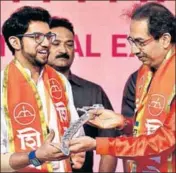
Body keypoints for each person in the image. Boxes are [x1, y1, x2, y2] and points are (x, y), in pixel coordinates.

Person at [68, 2, 176, 172]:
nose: (133, 50)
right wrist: (123, 123)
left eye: (140, 42)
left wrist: (98, 144)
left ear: (165, 39)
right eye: (131, 41)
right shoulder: (141, 75)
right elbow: (149, 128)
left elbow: (166, 140)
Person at [1, 6, 85, 172]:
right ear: (15, 42)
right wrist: (36, 156)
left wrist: (77, 151)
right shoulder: (2, 86)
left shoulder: (59, 80)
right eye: (37, 37)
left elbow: (75, 133)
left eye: (48, 36)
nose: (46, 43)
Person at [48, 17, 118, 172]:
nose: (63, 50)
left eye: (69, 44)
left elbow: (110, 145)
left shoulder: (93, 92)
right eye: (56, 44)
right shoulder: (27, 90)